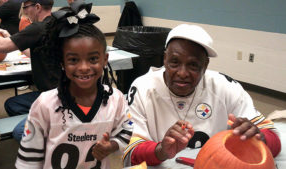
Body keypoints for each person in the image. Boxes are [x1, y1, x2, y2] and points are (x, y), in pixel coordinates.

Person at [123, 24, 281, 166]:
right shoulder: (143, 88)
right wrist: (161, 150)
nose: (182, 73)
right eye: (175, 62)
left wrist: (259, 137)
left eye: (193, 65)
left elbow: (274, 140)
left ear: (205, 65)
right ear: (164, 59)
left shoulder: (225, 86)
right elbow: (130, 155)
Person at [15, 1, 133, 168]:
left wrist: (112, 146)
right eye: (73, 60)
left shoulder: (116, 99)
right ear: (62, 62)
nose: (84, 67)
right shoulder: (45, 105)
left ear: (105, 60)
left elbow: (126, 131)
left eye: (93, 59)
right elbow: (29, 160)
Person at [0, 0, 59, 142]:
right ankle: (43, 120)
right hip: (52, 91)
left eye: (26, 8)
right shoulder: (54, 24)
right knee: (12, 104)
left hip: (53, 96)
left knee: (19, 132)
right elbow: (35, 52)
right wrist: (12, 38)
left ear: (37, 7)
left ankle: (48, 127)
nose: (25, 12)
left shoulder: (38, 27)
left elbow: (0, 46)